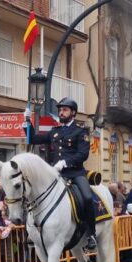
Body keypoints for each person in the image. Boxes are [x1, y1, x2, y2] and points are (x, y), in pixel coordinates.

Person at [29, 97, 97, 250]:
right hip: (56, 174)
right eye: (60, 110)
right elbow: (33, 138)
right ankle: (33, 230)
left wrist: (65, 162)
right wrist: (27, 122)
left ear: (73, 112)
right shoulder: (55, 131)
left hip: (75, 173)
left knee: (86, 198)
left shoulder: (81, 131)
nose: (61, 112)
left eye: (65, 110)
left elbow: (83, 154)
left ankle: (91, 233)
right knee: (36, 194)